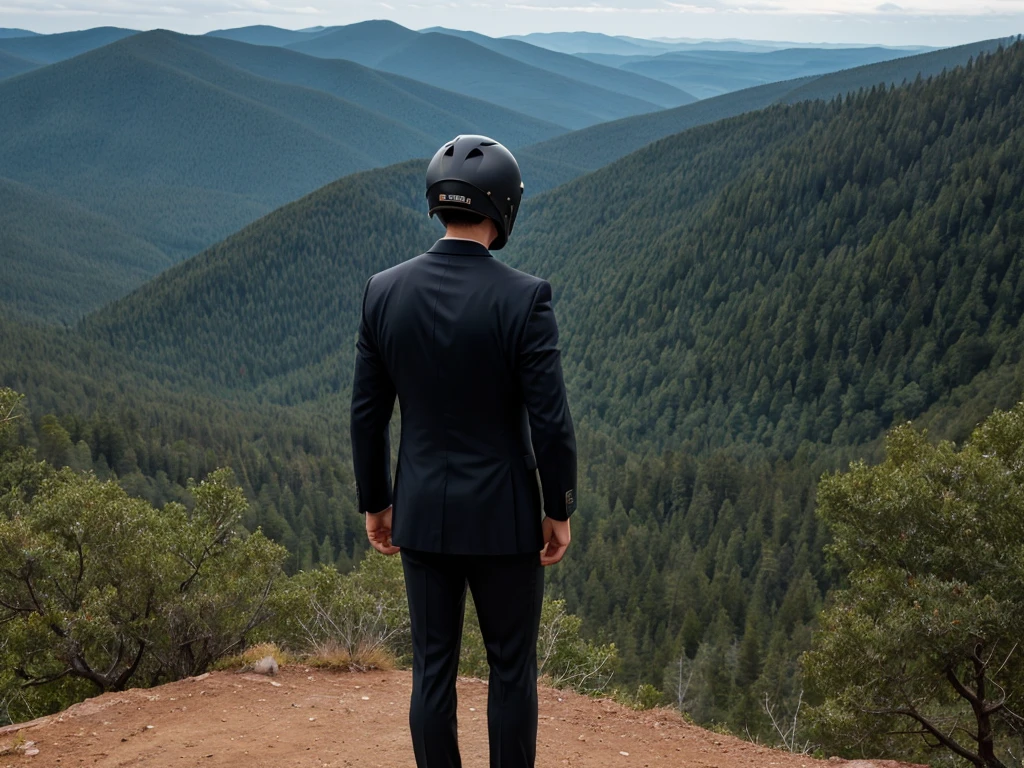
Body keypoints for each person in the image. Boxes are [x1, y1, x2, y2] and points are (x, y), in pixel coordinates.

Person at [350, 134, 578, 768]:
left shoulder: (383, 291)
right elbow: (551, 421)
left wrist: (377, 502)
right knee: (511, 674)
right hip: (506, 522)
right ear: (504, 208)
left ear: (438, 202)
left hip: (421, 515)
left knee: (432, 671)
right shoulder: (525, 297)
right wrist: (559, 508)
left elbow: (368, 414)